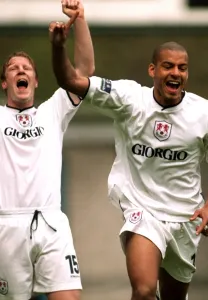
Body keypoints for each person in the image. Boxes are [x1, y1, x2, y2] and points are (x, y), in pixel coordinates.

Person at [50, 22, 208, 300]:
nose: (175, 73)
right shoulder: (128, 99)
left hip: (185, 217)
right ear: (153, 70)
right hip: (143, 211)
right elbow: (72, 82)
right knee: (144, 289)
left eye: (182, 68)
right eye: (168, 66)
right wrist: (58, 45)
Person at [0, 1, 94, 300]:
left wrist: (80, 19)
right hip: (5, 225)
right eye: (13, 69)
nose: (20, 70)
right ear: (5, 83)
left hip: (51, 223)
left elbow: (85, 71)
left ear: (36, 81)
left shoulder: (52, 111)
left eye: (26, 68)